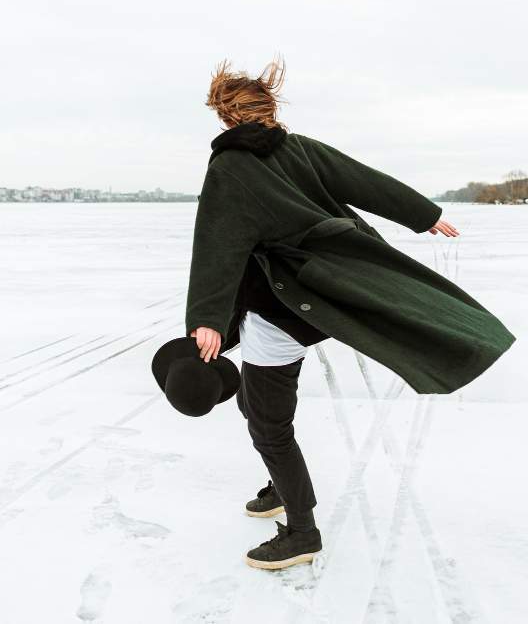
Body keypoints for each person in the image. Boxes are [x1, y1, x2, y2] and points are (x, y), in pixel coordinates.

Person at [185, 56, 461, 571]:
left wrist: (206, 317)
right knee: (253, 401)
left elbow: (218, 243)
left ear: (225, 115)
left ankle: (301, 532)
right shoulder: (301, 149)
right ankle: (281, 482)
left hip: (277, 308)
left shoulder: (230, 167)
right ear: (269, 109)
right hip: (320, 293)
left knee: (269, 425)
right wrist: (425, 215)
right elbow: (366, 182)